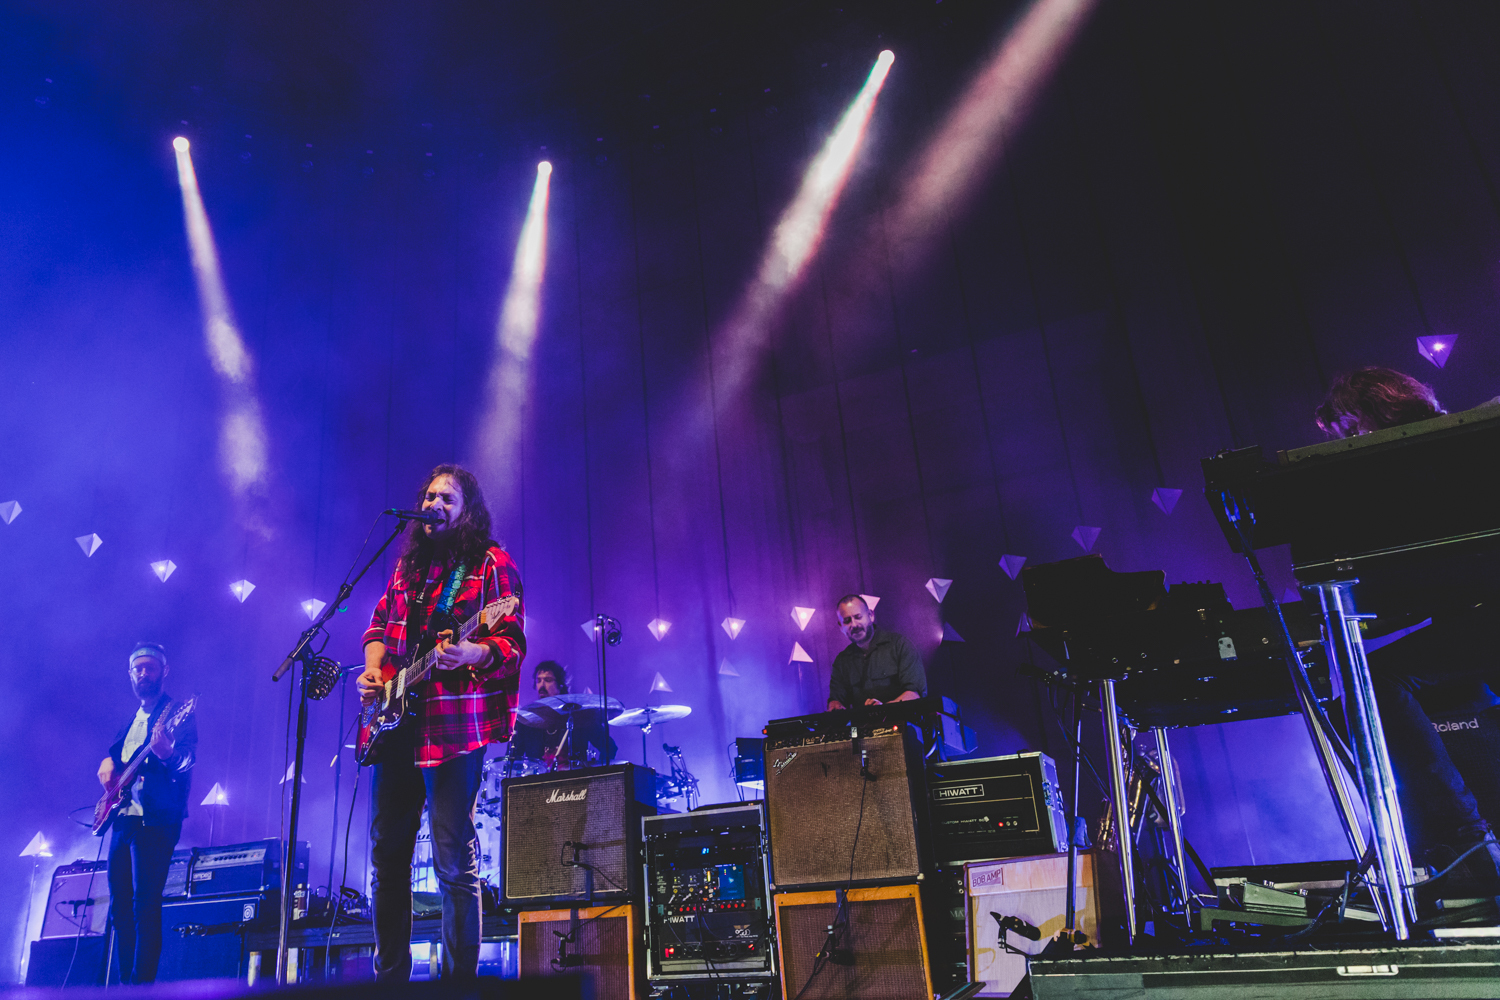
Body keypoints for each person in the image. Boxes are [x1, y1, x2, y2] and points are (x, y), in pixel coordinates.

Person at [1314, 367, 1500, 896]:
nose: (1351, 442)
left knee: (1377, 678)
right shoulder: (1455, 441)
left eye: (1350, 429)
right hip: (1479, 616)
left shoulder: (1431, 453)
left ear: (1364, 414)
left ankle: (1470, 837)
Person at [358, 464, 526, 981]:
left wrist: (471, 650)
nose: (434, 504)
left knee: (453, 860)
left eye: (447, 498)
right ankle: (390, 978)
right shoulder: (407, 566)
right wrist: (372, 669)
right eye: (429, 495)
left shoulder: (491, 564)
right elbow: (379, 625)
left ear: (467, 510)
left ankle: (458, 985)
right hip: (396, 724)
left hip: (455, 729)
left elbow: (511, 644)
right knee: (388, 857)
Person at [99, 642, 197, 985]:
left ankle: (141, 990)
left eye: (150, 668)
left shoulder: (176, 714)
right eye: (138, 669)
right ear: (130, 675)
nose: (144, 673)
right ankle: (124, 986)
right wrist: (108, 762)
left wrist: (169, 753)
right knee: (120, 910)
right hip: (122, 820)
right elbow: (117, 757)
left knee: (145, 907)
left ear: (163, 672)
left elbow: (187, 760)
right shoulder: (132, 720)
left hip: (155, 820)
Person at [827, 594, 927, 710]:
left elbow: (915, 693)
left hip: (902, 723)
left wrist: (883, 710)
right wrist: (835, 705)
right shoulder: (842, 661)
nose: (854, 625)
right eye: (847, 621)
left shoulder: (899, 645)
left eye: (858, 617)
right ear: (840, 626)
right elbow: (836, 699)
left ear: (871, 615)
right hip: (860, 728)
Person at [511, 661, 617, 765]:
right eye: (538, 680)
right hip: (539, 781)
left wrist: (595, 774)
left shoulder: (579, 717)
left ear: (560, 685)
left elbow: (610, 748)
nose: (541, 686)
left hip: (573, 780)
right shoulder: (527, 721)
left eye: (548, 680)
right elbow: (514, 759)